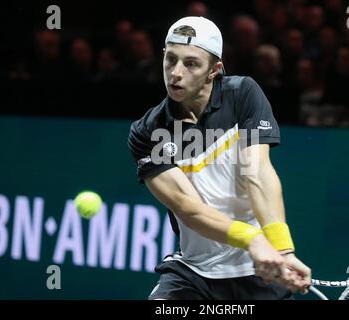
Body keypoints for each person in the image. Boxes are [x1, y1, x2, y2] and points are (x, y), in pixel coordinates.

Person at [127, 16, 311, 300]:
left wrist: (281, 247)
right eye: (171, 59)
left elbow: (257, 173)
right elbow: (189, 208)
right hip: (194, 274)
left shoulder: (242, 94)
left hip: (259, 271)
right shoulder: (148, 130)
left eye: (191, 64)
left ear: (214, 70)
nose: (175, 73)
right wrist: (252, 239)